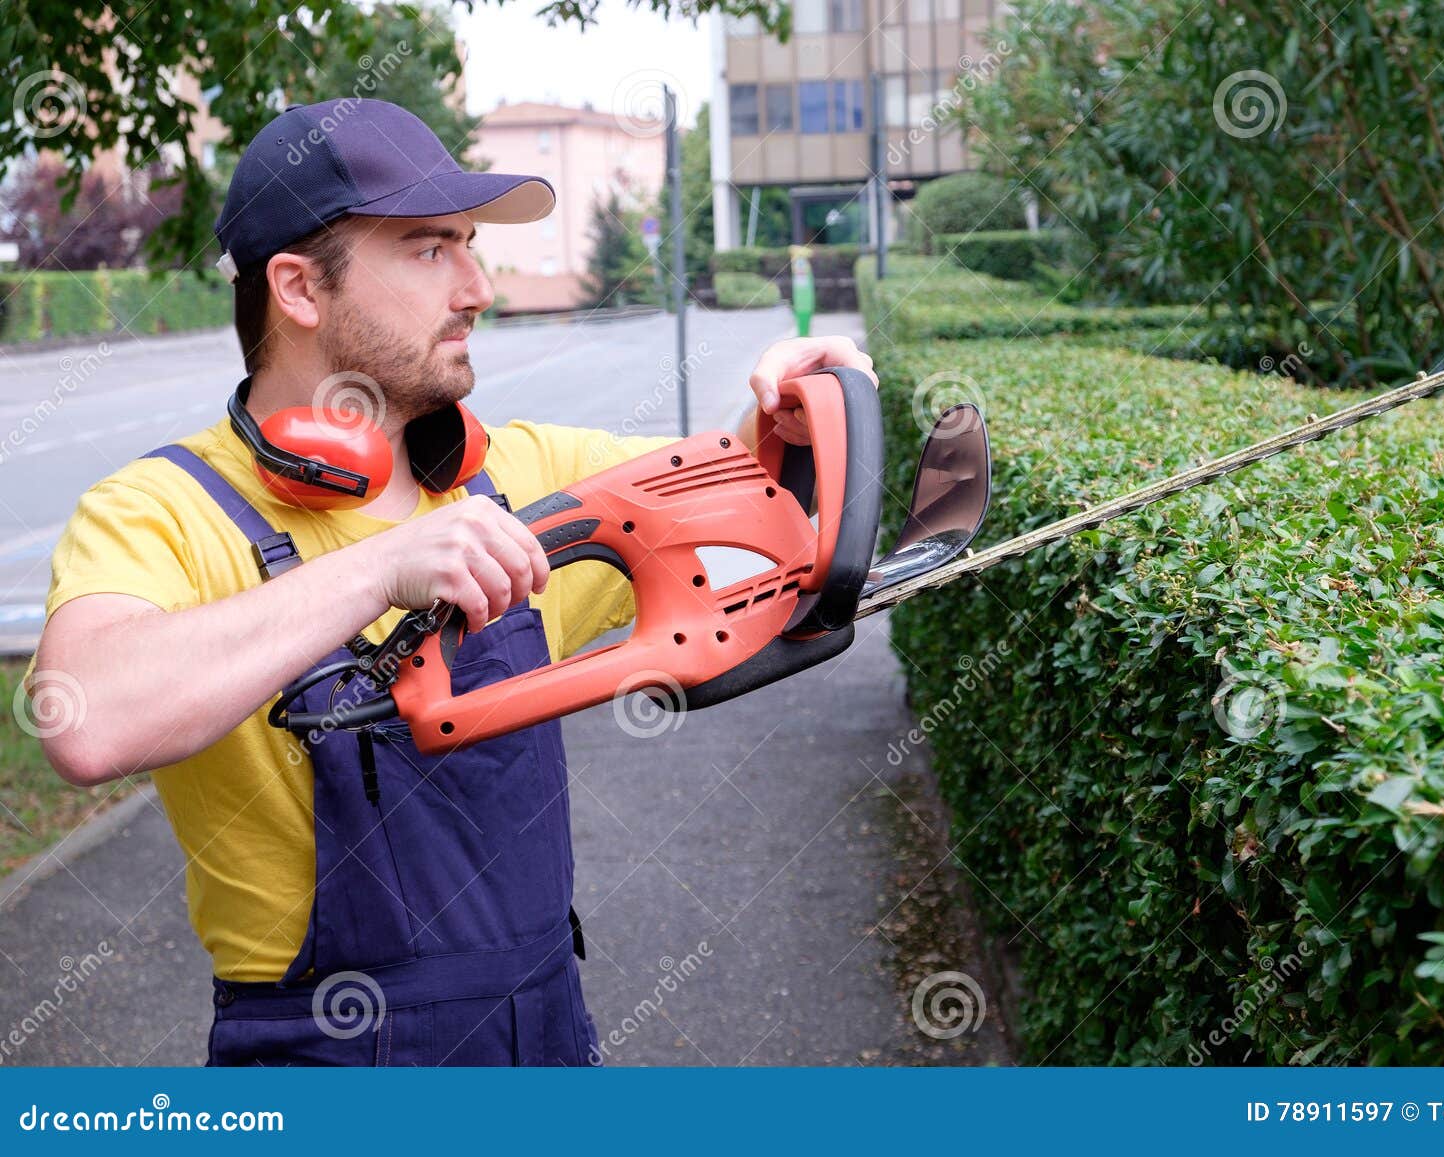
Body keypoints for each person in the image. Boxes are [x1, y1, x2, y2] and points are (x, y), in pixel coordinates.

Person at [25, 99, 874, 1066]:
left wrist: (792, 419)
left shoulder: (523, 477)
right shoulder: (162, 511)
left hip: (546, 1035)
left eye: (470, 246)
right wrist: (378, 566)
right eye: (431, 249)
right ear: (299, 289)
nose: (477, 287)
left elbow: (757, 517)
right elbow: (85, 720)